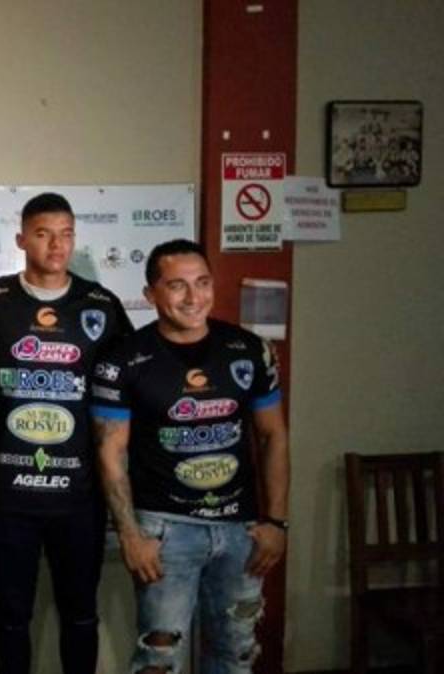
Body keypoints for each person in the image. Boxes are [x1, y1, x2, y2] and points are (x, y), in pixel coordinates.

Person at [92, 239, 289, 673]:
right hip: (164, 531)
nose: (193, 297)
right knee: (159, 658)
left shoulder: (249, 350)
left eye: (202, 283)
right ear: (151, 294)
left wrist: (277, 522)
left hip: (240, 530)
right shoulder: (123, 361)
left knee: (236, 653)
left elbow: (273, 435)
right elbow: (111, 450)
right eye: (177, 285)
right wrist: (130, 535)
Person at [0, 192, 132, 674]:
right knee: (11, 617)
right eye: (43, 234)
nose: (57, 246)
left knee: (80, 615)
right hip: (9, 493)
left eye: (66, 235)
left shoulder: (100, 304)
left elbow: (122, 383)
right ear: (21, 240)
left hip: (79, 495)